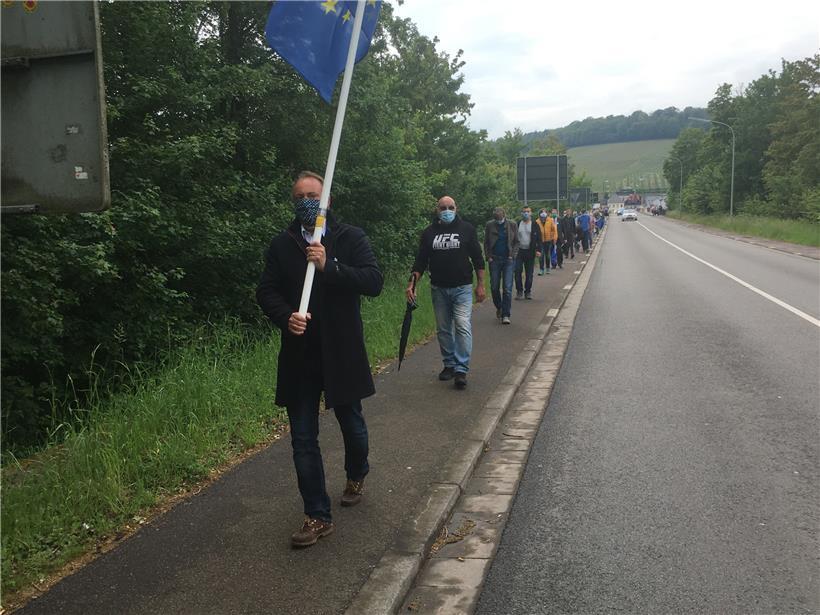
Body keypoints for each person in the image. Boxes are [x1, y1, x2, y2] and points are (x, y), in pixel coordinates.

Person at [256, 171, 384, 548]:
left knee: (352, 424)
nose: (306, 201)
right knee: (303, 438)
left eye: (313, 194)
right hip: (300, 355)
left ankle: (357, 472)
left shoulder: (350, 237)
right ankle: (316, 515)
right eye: (300, 196)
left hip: (341, 350)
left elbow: (373, 281)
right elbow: (266, 291)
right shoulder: (283, 245)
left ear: (327, 198)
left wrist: (331, 266)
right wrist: (286, 316)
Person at [408, 196, 485, 389]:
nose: (447, 210)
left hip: (463, 287)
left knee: (462, 325)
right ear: (437, 210)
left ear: (456, 208)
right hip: (439, 288)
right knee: (443, 329)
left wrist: (481, 284)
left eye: (450, 207)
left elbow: (477, 258)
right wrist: (412, 284)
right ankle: (449, 364)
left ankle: (461, 369)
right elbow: (421, 261)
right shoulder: (429, 233)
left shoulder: (467, 229)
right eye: (443, 207)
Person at [484, 206, 518, 325]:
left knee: (507, 288)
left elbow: (516, 242)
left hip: (508, 260)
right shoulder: (489, 225)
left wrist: (512, 255)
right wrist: (488, 257)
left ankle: (506, 314)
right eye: (496, 218)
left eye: (500, 218)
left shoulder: (512, 225)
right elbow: (486, 242)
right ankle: (499, 307)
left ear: (504, 216)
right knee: (494, 287)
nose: (498, 220)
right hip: (495, 259)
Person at [514, 206, 542, 300]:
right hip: (519, 252)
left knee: (529, 273)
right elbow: (513, 238)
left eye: (528, 211)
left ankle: (528, 291)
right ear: (521, 213)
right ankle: (519, 291)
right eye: (524, 212)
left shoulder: (534, 224)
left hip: (530, 252)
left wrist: (538, 250)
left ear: (531, 213)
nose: (526, 213)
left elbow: (539, 238)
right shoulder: (518, 224)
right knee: (517, 271)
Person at [535, 208, 557, 276]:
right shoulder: (537, 221)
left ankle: (547, 268)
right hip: (540, 241)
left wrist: (554, 238)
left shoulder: (550, 220)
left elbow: (554, 230)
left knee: (547, 255)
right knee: (541, 256)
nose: (543, 213)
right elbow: (535, 231)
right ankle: (541, 269)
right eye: (542, 212)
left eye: (545, 212)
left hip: (548, 240)